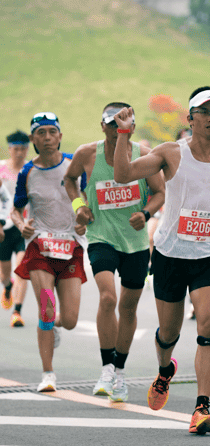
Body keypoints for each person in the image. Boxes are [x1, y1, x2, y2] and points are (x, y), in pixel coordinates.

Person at [111, 87, 210, 435]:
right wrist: (124, 136)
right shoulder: (171, 153)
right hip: (171, 253)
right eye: (206, 112)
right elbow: (124, 175)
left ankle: (202, 408)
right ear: (191, 118)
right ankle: (164, 369)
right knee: (168, 332)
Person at [63, 103, 165, 402]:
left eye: (124, 124)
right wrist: (79, 206)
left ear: (131, 127)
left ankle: (120, 371)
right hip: (101, 237)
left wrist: (145, 215)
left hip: (135, 243)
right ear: (102, 125)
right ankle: (107, 367)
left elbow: (159, 192)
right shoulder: (87, 154)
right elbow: (69, 180)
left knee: (128, 307)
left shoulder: (145, 155)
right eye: (111, 123)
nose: (116, 129)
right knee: (107, 298)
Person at [9, 113, 88, 392]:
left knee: (69, 320)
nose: (46, 138)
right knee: (45, 309)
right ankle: (48, 374)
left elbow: (85, 199)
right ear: (33, 139)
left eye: (51, 132)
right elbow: (16, 211)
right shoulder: (27, 173)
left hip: (70, 248)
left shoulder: (74, 165)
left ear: (60, 136)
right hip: (40, 249)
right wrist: (22, 226)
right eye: (40, 133)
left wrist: (83, 216)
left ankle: (52, 325)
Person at [1, 131, 30, 327]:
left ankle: (17, 312)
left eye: (23, 149)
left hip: (24, 227)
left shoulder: (31, 170)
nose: (19, 153)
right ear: (9, 149)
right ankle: (7, 287)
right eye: (15, 149)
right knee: (5, 273)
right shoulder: (1, 169)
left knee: (22, 270)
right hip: (4, 228)